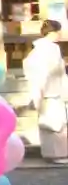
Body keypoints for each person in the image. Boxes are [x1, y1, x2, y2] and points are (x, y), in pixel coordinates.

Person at [23, 19, 68, 164]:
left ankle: (51, 153)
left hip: (47, 90)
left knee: (52, 124)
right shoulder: (50, 49)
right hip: (50, 91)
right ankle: (57, 155)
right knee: (55, 125)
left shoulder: (38, 49)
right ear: (54, 32)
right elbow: (47, 72)